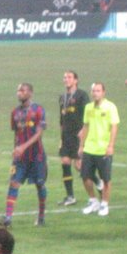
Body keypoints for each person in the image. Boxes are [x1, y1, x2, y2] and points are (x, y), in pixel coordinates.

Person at [0, 83, 48, 228]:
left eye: (22, 90)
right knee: (14, 183)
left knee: (39, 184)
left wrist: (23, 147)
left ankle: (41, 216)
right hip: (20, 158)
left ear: (30, 93)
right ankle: (8, 218)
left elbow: (39, 133)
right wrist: (15, 149)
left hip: (36, 156)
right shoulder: (15, 113)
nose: (19, 93)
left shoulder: (38, 110)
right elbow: (16, 133)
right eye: (18, 90)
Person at [77, 82, 120, 217]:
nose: (95, 93)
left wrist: (111, 145)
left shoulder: (110, 107)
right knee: (85, 176)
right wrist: (81, 145)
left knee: (106, 179)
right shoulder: (88, 108)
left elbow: (114, 127)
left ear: (103, 92)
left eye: (98, 91)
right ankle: (93, 200)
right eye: (93, 91)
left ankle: (105, 204)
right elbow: (86, 126)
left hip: (103, 149)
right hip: (90, 148)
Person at [57, 70, 89, 206]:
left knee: (79, 166)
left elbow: (88, 116)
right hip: (66, 136)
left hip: (78, 135)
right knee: (65, 162)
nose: (66, 79)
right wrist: (61, 138)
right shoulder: (62, 97)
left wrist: (84, 133)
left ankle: (98, 189)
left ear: (76, 80)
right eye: (65, 77)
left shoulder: (82, 95)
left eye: (69, 77)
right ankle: (70, 196)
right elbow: (61, 120)